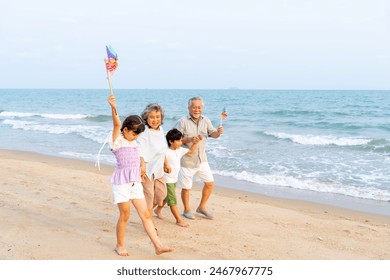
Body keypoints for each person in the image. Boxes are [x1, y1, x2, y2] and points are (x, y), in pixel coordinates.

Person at [107, 94, 174, 256]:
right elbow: (116, 124)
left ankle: (158, 246)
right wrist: (113, 107)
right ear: (125, 130)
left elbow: (140, 158)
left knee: (145, 214)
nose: (136, 137)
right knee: (125, 215)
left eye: (138, 135)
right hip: (122, 183)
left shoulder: (134, 143)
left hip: (135, 183)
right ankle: (120, 245)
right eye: (134, 133)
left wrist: (142, 167)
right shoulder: (117, 141)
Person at [175, 96, 223, 220]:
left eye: (199, 107)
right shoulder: (182, 121)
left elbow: (213, 134)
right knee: (186, 188)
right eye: (194, 107)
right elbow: (175, 139)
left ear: (202, 108)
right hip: (187, 160)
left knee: (210, 183)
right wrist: (190, 139)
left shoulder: (205, 120)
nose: (197, 109)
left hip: (202, 160)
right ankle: (186, 210)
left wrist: (218, 133)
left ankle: (202, 207)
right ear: (189, 108)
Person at [154, 128, 201, 227]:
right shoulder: (165, 152)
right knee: (172, 200)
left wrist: (196, 142)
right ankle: (178, 220)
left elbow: (191, 151)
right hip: (166, 180)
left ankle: (156, 209)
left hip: (173, 179)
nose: (181, 142)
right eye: (178, 140)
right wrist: (164, 165)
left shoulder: (179, 150)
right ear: (171, 141)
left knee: (165, 198)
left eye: (181, 140)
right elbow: (159, 158)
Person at [137, 103, 169, 220]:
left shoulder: (160, 129)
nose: (155, 120)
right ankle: (148, 220)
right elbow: (139, 149)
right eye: (152, 117)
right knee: (149, 196)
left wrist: (166, 163)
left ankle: (147, 211)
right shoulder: (144, 131)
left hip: (158, 168)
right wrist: (142, 166)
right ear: (146, 118)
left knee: (162, 194)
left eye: (158, 117)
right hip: (146, 169)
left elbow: (163, 149)